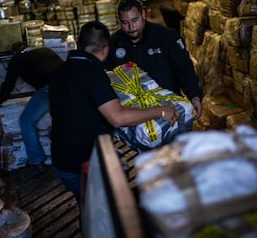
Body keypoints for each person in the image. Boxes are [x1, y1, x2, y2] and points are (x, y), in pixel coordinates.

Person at [49, 21, 179, 202]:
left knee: (89, 211)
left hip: (61, 160)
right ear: (105, 49)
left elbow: (58, 110)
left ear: (79, 44)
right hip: (84, 163)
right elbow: (117, 118)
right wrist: (161, 111)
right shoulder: (93, 73)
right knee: (103, 217)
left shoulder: (59, 71)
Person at [106, 0, 203, 119]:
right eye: (125, 23)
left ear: (143, 14)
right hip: (133, 115)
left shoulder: (166, 37)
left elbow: (184, 69)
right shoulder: (113, 44)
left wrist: (194, 95)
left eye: (135, 20)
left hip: (170, 110)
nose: (131, 27)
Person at [0, 42, 63, 167]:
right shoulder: (46, 50)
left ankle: (36, 159)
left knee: (26, 121)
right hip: (70, 83)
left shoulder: (17, 59)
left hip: (50, 87)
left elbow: (9, 83)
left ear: (14, 52)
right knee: (62, 118)